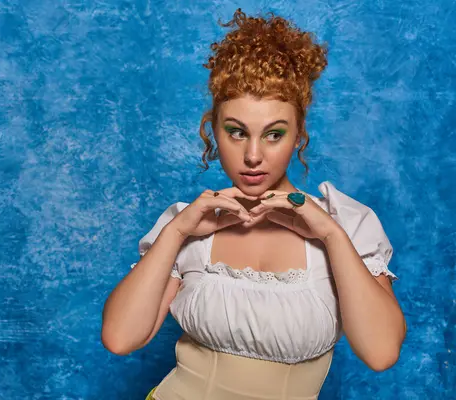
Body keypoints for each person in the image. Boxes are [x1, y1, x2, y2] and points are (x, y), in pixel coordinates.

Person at [101, 8, 407, 400]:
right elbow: (120, 338)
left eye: (274, 134)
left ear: (299, 136)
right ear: (213, 130)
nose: (253, 156)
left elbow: (381, 354)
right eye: (236, 132)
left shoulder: (345, 222)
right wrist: (176, 232)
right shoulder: (187, 223)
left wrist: (331, 235)